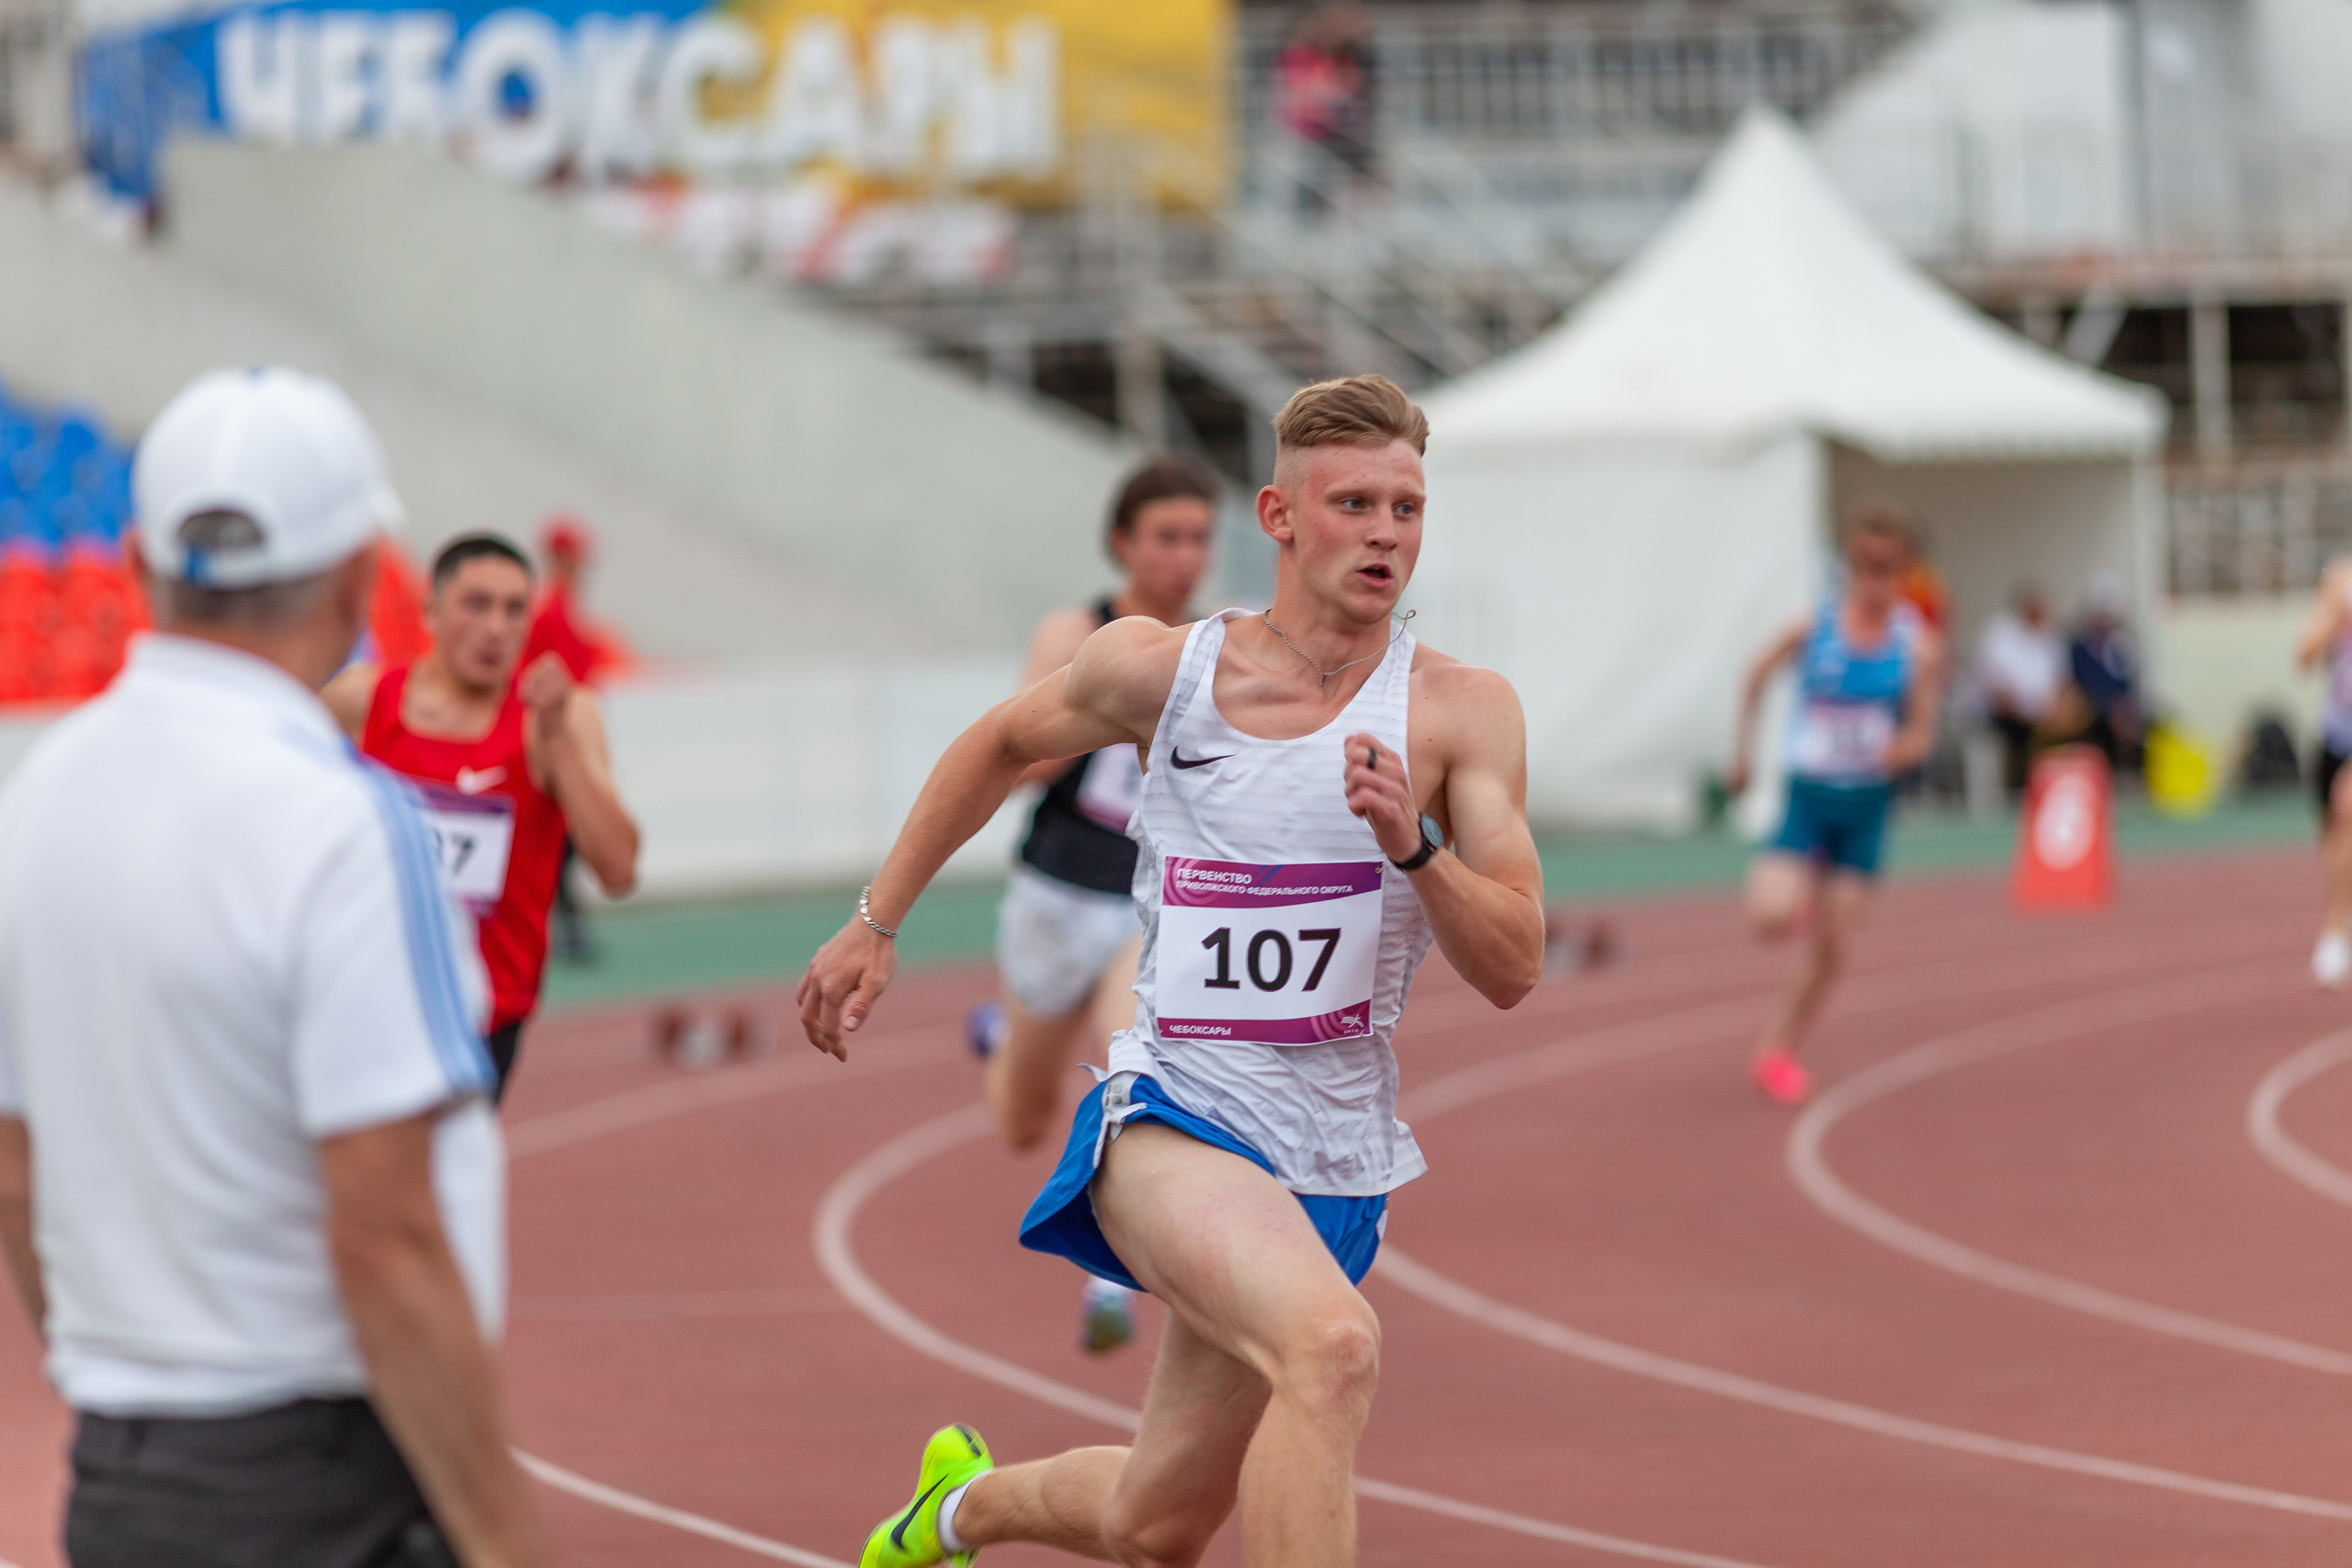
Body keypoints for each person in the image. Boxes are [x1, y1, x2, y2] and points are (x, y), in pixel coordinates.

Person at [797, 375, 1545, 1568]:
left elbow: (1515, 961)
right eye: (1353, 501)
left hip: (1337, 1155)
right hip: (1179, 1116)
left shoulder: (1459, 711)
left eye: (1407, 506)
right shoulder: (1166, 669)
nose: (1386, 532)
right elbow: (1000, 740)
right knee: (1333, 1347)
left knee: (1155, 1523)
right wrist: (876, 917)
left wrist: (1416, 844)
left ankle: (955, 1507)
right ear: (1280, 515)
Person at [0, 367, 547, 1566]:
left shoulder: (36, 802)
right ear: (362, 574)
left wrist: (125, 1369)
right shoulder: (347, 827)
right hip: (323, 1480)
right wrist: (509, 1539)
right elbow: (385, 1234)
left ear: (140, 565)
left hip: (122, 1473)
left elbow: (17, 1168)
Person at [964, 453, 1220, 1357]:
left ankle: (1109, 1277)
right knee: (1020, 1120)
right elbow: (1017, 758)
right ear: (1123, 544)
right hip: (1055, 890)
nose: (1183, 557)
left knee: (1132, 1068)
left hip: (1143, 906)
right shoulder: (1074, 632)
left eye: (1197, 539)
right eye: (1166, 537)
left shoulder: (1214, 646)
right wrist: (1103, 706)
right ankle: (1001, 1037)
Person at [325, 533, 639, 1100]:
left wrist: (557, 744)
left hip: (485, 1013)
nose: (496, 627)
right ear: (432, 608)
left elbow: (618, 871)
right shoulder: (361, 702)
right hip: (369, 997)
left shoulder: (560, 719)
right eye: (476, 604)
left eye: (514, 609)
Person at [1726, 501, 1948, 1107]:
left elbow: (1925, 727)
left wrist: (1907, 745)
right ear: (1851, 566)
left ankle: (1776, 1050)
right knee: (1768, 918)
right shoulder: (1815, 626)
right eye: (1866, 567)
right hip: (1810, 798)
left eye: (1888, 568)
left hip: (1866, 807)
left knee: (1834, 944)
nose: (1876, 580)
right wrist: (1742, 755)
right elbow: (1754, 674)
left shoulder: (1918, 646)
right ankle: (1798, 889)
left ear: (1905, 570)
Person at [524, 516, 630, 963]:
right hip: (558, 736)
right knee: (564, 838)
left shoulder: (562, 608)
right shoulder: (552, 612)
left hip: (570, 731)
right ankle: (559, 926)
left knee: (568, 842)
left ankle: (563, 924)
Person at [2293, 557, 2352, 987]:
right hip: (2337, 730)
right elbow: (2304, 655)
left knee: (2347, 808)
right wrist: (2337, 621)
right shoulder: (2339, 580)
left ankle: (2334, 932)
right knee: (2333, 834)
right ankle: (2337, 924)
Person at [1973, 581, 2065, 798]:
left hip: (2041, 716)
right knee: (2022, 737)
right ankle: (2018, 794)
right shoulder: (1999, 635)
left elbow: (2060, 681)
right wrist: (2029, 714)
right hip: (2002, 714)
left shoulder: (2049, 637)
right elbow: (1995, 690)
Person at [2065, 573, 2143, 778]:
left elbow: (2127, 683)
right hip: (2092, 710)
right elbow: (2081, 682)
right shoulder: (2079, 648)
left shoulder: (2120, 647)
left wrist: (2124, 707)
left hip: (2119, 710)